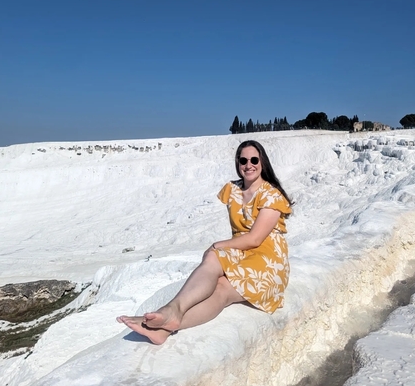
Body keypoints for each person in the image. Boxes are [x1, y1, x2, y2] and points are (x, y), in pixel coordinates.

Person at [117, 140, 293, 344]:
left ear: (262, 162)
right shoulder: (232, 189)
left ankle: (168, 321)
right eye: (243, 160)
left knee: (222, 289)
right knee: (212, 258)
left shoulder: (272, 195)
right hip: (242, 253)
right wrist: (218, 249)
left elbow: (255, 239)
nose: (248, 165)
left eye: (254, 159)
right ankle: (170, 315)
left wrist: (218, 245)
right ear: (238, 163)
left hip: (267, 260)